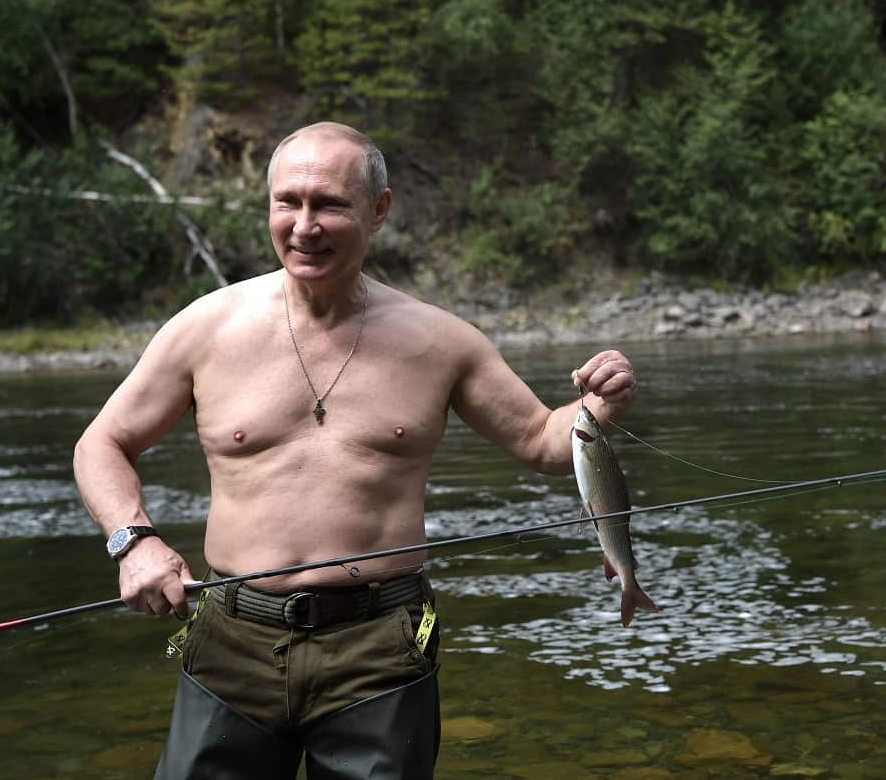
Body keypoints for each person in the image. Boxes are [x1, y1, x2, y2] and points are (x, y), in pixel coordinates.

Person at [73, 121, 638, 779]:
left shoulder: (441, 342)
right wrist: (133, 541)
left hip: (381, 643)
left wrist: (597, 407)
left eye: (329, 204)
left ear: (379, 209)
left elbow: (543, 439)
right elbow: (102, 442)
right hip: (232, 637)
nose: (304, 226)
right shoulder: (206, 329)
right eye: (288, 202)